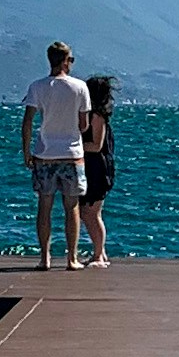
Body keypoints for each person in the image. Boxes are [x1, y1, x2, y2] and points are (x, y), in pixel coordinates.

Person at [21, 41, 92, 271]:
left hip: (45, 154)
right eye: (71, 60)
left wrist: (26, 152)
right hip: (72, 154)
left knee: (44, 205)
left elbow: (28, 121)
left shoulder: (37, 87)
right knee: (71, 207)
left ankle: (45, 258)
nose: (71, 64)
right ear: (64, 61)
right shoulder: (80, 87)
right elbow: (83, 125)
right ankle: (71, 258)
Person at [79, 75, 118, 266]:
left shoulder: (97, 116)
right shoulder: (92, 114)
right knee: (87, 212)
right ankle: (99, 253)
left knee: (92, 212)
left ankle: (98, 254)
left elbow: (96, 145)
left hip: (97, 168)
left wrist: (75, 146)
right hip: (91, 167)